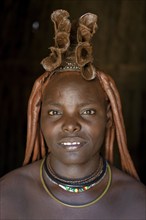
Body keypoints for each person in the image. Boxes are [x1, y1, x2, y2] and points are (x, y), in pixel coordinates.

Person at [0, 9, 145, 220]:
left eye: (87, 111)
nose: (70, 125)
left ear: (108, 118)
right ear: (39, 117)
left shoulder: (138, 203)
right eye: (55, 112)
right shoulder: (7, 197)